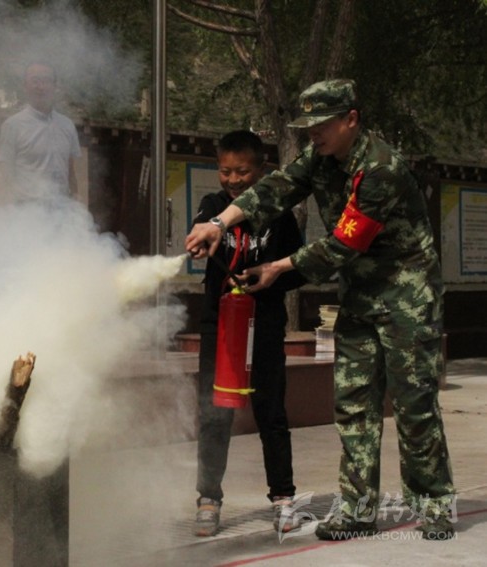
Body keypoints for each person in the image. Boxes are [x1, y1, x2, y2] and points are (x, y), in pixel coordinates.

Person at [186, 79, 456, 541]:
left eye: (322, 124)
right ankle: (358, 510)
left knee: (414, 405)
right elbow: (275, 188)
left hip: (406, 296)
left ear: (351, 119)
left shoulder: (381, 168)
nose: (313, 133)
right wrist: (218, 222)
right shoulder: (319, 157)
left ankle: (433, 505)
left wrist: (277, 268)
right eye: (308, 126)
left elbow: (344, 243)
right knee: (353, 403)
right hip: (359, 295)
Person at [191, 130, 306, 537]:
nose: (233, 180)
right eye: (225, 171)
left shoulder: (279, 213)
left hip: (265, 324)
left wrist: (268, 276)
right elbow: (201, 228)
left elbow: (298, 268)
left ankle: (283, 498)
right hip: (220, 326)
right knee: (214, 414)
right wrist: (200, 241)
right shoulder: (213, 207)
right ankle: (208, 499)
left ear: (261, 169)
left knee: (271, 412)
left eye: (242, 171)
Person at [0, 61, 81, 203]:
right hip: (27, 208)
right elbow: (6, 173)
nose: (41, 87)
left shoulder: (67, 125)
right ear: (25, 86)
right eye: (35, 81)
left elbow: (70, 171)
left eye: (46, 81)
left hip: (62, 207)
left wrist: (76, 199)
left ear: (55, 86)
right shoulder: (13, 125)